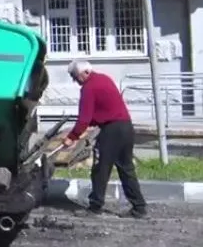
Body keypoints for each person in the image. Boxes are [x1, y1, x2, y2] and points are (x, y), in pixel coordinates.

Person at [62, 60, 147, 218]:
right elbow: (104, 108)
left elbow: (84, 119)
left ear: (85, 73)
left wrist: (71, 137)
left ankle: (95, 206)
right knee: (126, 168)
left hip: (112, 131)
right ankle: (139, 207)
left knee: (101, 168)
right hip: (126, 127)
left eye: (75, 76)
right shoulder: (105, 79)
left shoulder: (89, 88)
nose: (75, 81)